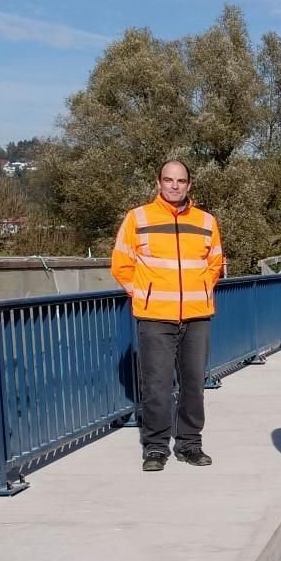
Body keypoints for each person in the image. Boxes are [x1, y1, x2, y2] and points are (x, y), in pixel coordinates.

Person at [110, 158, 225, 472]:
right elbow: (121, 263)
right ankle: (156, 448)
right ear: (159, 182)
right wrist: (143, 294)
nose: (174, 186)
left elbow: (215, 262)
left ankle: (190, 444)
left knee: (193, 383)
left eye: (181, 181)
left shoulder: (205, 221)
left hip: (196, 314)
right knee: (157, 384)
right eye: (168, 180)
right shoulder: (138, 218)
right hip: (155, 316)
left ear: (189, 185)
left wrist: (200, 289)